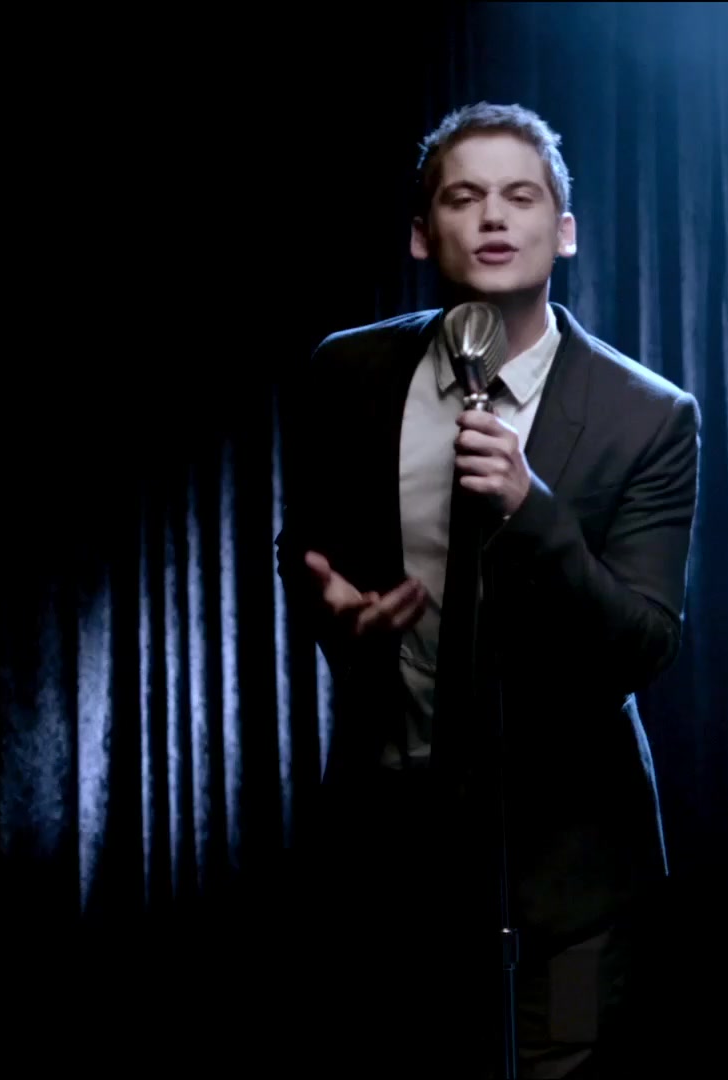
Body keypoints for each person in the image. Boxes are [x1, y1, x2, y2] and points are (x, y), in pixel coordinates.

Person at [274, 101, 701, 1078]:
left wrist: (532, 508)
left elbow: (643, 643)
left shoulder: (647, 415)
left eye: (521, 196)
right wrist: (336, 616)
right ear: (423, 235)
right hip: (392, 848)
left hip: (570, 878)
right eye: (464, 198)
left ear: (565, 231)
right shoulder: (350, 371)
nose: (494, 217)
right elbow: (307, 547)